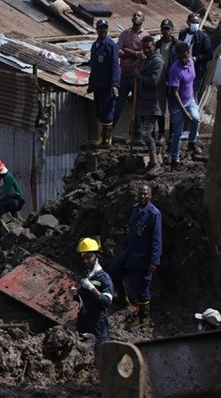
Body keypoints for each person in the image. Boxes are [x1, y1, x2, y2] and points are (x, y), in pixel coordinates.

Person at [109, 184, 162, 326]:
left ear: (150, 196)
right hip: (129, 252)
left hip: (142, 258)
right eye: (140, 194)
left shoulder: (153, 214)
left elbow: (157, 239)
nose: (143, 196)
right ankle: (122, 298)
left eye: (145, 194)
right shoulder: (134, 209)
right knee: (114, 272)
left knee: (141, 286)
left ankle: (143, 318)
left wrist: (154, 261)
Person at [73, 238, 114, 346]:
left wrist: (92, 288)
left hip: (97, 322)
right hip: (84, 319)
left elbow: (107, 301)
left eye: (89, 257)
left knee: (101, 350)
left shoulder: (104, 278)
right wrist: (76, 294)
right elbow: (86, 298)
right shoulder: (86, 275)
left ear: (96, 257)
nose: (86, 261)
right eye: (83, 258)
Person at [167, 42, 202, 169]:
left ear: (188, 54)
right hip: (177, 105)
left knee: (196, 119)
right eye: (180, 57)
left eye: (185, 57)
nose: (183, 59)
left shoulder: (191, 62)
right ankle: (174, 160)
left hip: (190, 99)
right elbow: (175, 93)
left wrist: (192, 99)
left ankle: (192, 142)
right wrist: (184, 112)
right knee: (177, 133)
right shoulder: (174, 69)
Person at [87, 19, 120, 147]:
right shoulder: (95, 45)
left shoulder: (111, 45)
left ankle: (107, 139)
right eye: (101, 28)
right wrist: (91, 85)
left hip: (107, 86)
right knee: (100, 111)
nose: (103, 30)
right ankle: (102, 138)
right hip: (98, 85)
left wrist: (115, 84)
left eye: (105, 28)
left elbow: (114, 67)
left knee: (107, 112)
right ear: (97, 29)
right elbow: (94, 67)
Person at [116, 11, 149, 134]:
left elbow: (143, 55)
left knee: (138, 105)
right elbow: (118, 50)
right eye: (134, 15)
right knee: (118, 104)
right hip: (124, 74)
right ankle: (110, 131)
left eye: (139, 15)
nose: (136, 17)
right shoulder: (124, 34)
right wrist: (133, 54)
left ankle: (137, 133)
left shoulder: (145, 35)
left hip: (137, 76)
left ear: (143, 19)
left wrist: (128, 52)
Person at [136, 36, 166, 169]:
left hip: (153, 103)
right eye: (144, 48)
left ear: (154, 46)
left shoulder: (157, 62)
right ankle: (154, 160)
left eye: (148, 47)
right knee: (149, 134)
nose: (146, 50)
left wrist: (139, 76)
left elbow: (154, 82)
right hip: (145, 102)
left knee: (146, 133)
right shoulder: (148, 60)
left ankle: (154, 162)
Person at [176, 12, 213, 96]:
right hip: (182, 68)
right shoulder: (183, 34)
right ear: (188, 22)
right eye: (193, 23)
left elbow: (209, 55)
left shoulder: (203, 37)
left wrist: (197, 58)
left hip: (196, 70)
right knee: (181, 93)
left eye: (197, 23)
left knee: (193, 94)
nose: (196, 25)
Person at [154, 19, 175, 144]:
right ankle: (161, 133)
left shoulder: (177, 45)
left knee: (172, 108)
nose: (166, 31)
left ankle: (172, 133)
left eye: (168, 29)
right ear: (161, 30)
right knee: (160, 109)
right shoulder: (156, 45)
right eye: (164, 28)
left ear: (172, 30)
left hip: (173, 80)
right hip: (160, 80)